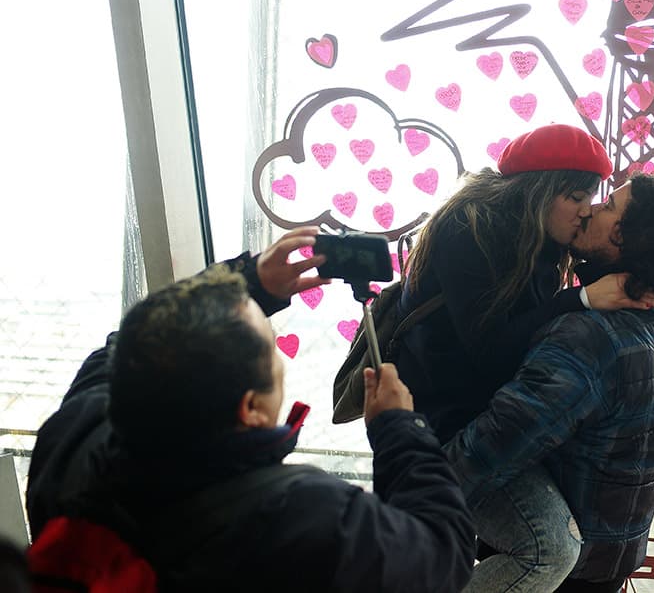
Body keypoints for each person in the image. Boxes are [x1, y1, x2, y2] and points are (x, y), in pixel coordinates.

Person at [25, 226, 476, 592]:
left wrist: (250, 281)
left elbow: (130, 340)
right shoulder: (302, 518)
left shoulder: (73, 435)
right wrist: (400, 431)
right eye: (271, 350)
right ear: (251, 409)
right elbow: (441, 555)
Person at [446, 175, 654, 592]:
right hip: (612, 554)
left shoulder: (592, 337)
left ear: (629, 236)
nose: (590, 209)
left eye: (607, 207)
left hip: (559, 564)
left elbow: (496, 442)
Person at [397, 123, 654, 446]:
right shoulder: (468, 229)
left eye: (590, 198)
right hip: (438, 425)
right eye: (577, 197)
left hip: (489, 411)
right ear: (539, 191)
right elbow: (491, 352)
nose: (587, 210)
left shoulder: (542, 235)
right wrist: (582, 298)